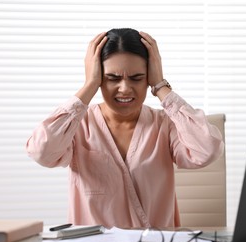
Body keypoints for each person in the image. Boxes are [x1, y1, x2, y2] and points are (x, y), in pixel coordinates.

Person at [26, 28, 224, 228]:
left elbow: (207, 150)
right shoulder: (78, 125)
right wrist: (89, 85)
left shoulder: (164, 124)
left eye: (137, 78)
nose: (125, 89)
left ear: (148, 78)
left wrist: (161, 86)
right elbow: (42, 152)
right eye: (112, 78)